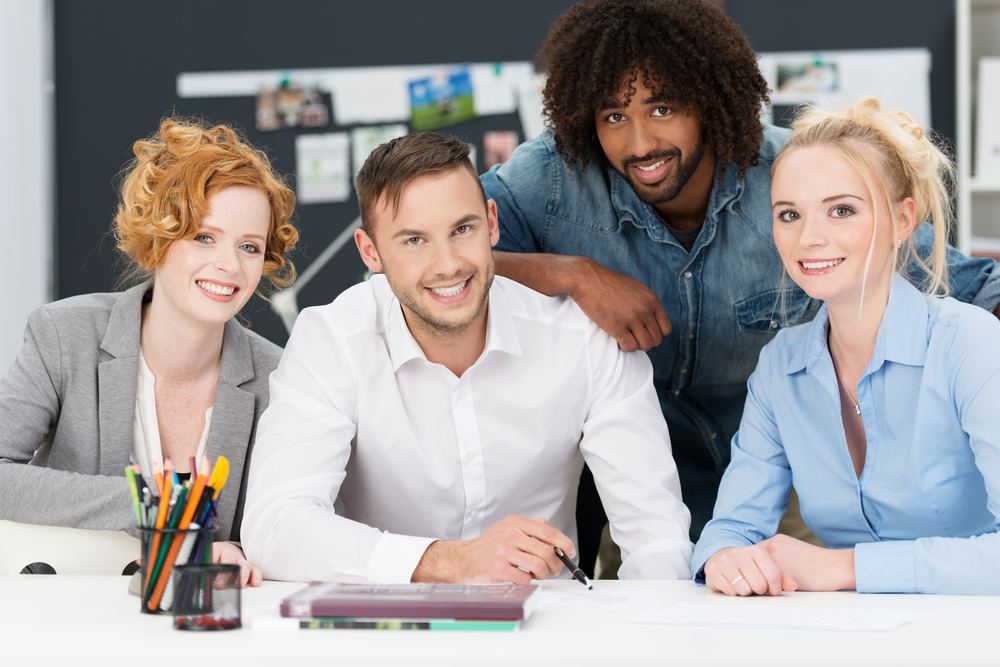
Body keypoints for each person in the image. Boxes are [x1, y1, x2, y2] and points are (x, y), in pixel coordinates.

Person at [480, 0, 1000, 548]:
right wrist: (573, 275)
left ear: (707, 99)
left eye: (662, 109)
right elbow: (425, 260)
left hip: (790, 490)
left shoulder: (798, 179)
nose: (639, 144)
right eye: (613, 116)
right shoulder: (551, 182)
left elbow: (966, 287)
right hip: (629, 490)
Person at [241, 132, 692, 584]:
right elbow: (274, 526)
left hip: (546, 634)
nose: (448, 264)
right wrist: (453, 561)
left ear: (491, 224)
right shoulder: (333, 341)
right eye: (414, 240)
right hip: (386, 635)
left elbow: (656, 534)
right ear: (370, 252)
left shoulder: (585, 340)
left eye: (462, 229)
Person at [691, 97, 1000, 596]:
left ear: (903, 222)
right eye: (789, 214)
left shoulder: (972, 346)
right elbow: (732, 527)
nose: (809, 238)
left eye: (841, 210)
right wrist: (726, 557)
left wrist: (846, 568)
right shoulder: (780, 366)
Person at [0, 117, 298, 587]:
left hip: (202, 630)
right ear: (161, 235)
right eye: (204, 237)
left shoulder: (278, 377)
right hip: (66, 616)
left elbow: (290, 520)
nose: (229, 265)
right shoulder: (63, 335)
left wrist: (235, 552)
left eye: (250, 247)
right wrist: (149, 505)